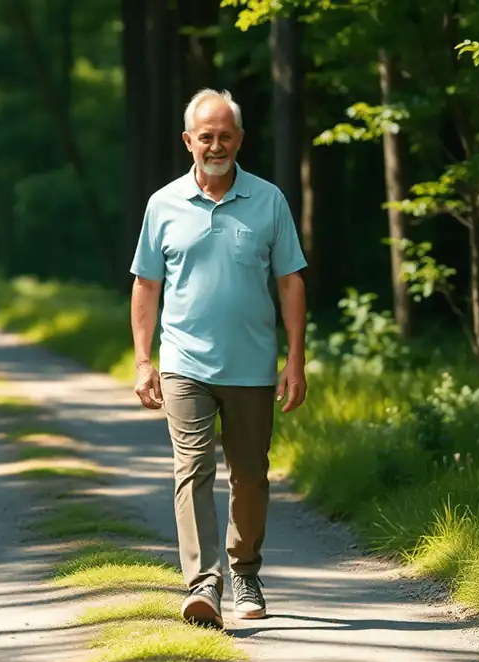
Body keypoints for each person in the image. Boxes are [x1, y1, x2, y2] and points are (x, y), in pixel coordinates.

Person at [128, 88, 309, 629]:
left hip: (252, 366)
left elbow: (291, 281)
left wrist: (295, 359)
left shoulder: (269, 200)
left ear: (240, 140)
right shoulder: (163, 204)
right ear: (188, 141)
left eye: (225, 136)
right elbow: (146, 285)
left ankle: (245, 571)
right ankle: (203, 584)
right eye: (205, 136)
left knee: (250, 476)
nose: (215, 145)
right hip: (184, 363)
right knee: (192, 469)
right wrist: (143, 361)